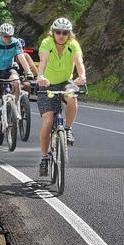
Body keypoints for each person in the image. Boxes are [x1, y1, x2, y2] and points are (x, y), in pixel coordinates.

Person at [35, 18, 87, 177]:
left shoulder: (73, 45)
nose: (61, 35)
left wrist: (82, 76)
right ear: (53, 32)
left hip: (66, 82)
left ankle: (68, 128)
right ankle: (44, 157)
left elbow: (79, 63)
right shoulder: (47, 43)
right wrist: (40, 77)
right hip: (47, 84)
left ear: (69, 34)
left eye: (65, 33)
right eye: (58, 32)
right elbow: (42, 62)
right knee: (48, 119)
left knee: (72, 96)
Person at [0, 23, 36, 139]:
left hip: (8, 69)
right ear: (1, 35)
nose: (7, 39)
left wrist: (29, 72)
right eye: (5, 37)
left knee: (16, 82)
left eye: (9, 36)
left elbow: (22, 57)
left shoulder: (16, 42)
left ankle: (15, 107)